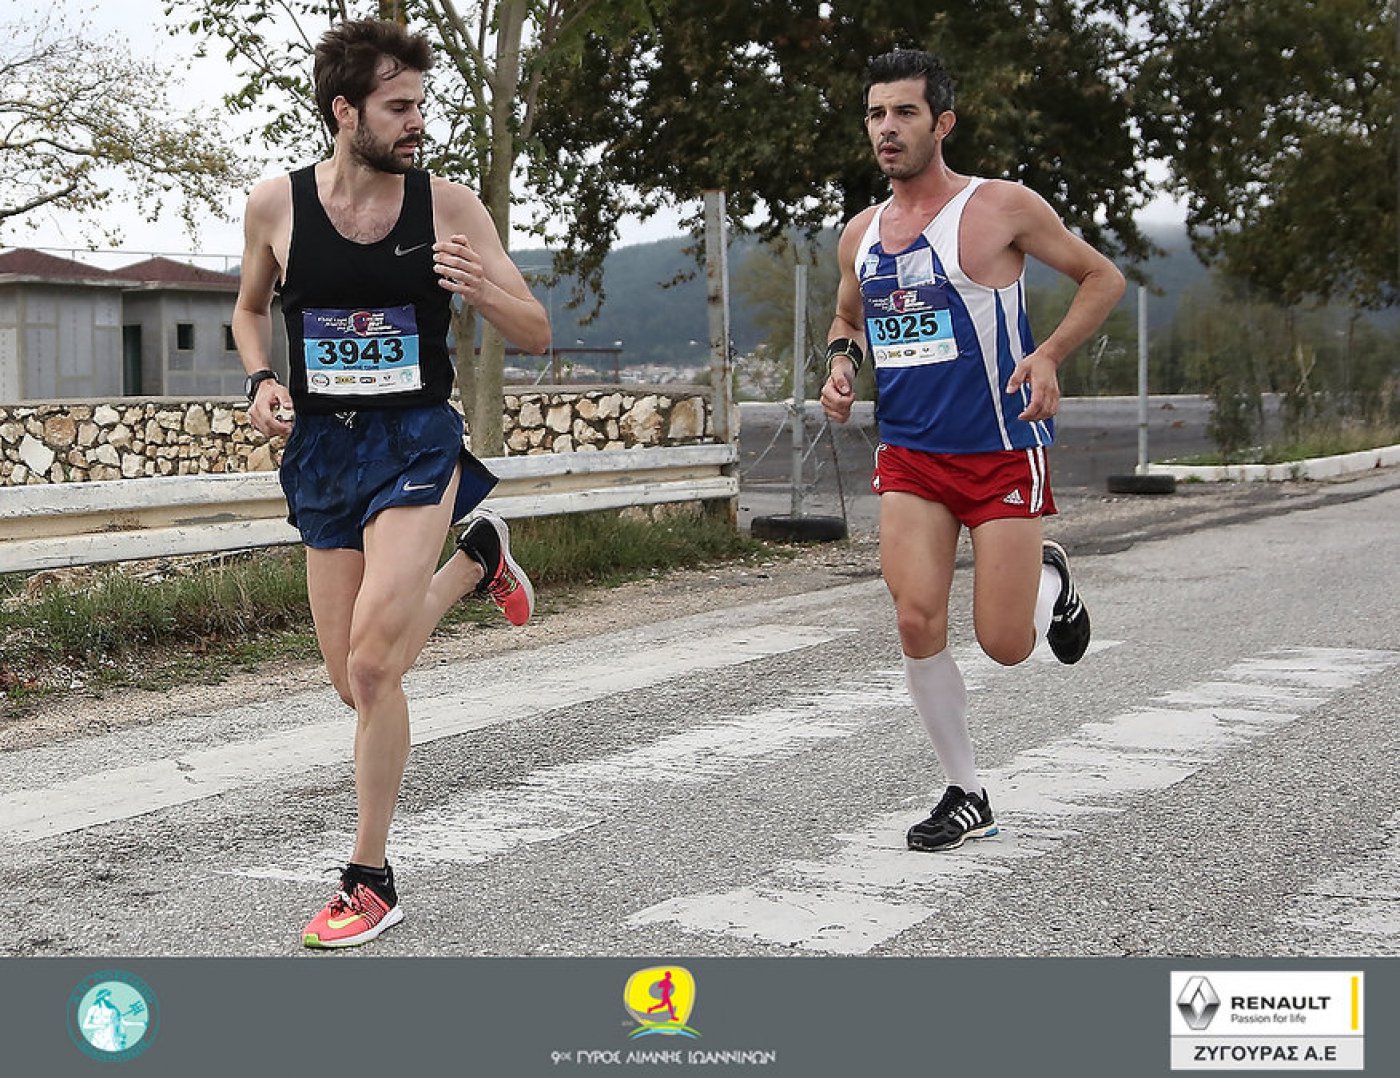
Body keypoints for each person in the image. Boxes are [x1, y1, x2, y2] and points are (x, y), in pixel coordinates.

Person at [232, 18, 550, 948]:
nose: (417, 122)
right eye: (398, 106)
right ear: (345, 111)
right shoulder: (276, 205)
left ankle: (369, 878)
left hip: (416, 442)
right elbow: (248, 313)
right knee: (353, 683)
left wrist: (479, 289)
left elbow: (535, 330)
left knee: (376, 667)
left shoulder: (450, 207)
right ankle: (476, 562)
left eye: (421, 104)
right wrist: (261, 381)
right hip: (323, 453)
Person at [820, 49, 1125, 854]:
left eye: (905, 113)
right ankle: (966, 791)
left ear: (942, 123)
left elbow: (1101, 278)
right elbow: (849, 318)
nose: (887, 128)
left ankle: (1050, 580)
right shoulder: (860, 235)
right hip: (912, 454)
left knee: (1006, 644)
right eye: (876, 114)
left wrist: (1049, 354)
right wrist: (842, 368)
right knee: (915, 615)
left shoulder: (1000, 208)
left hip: (1000, 449)